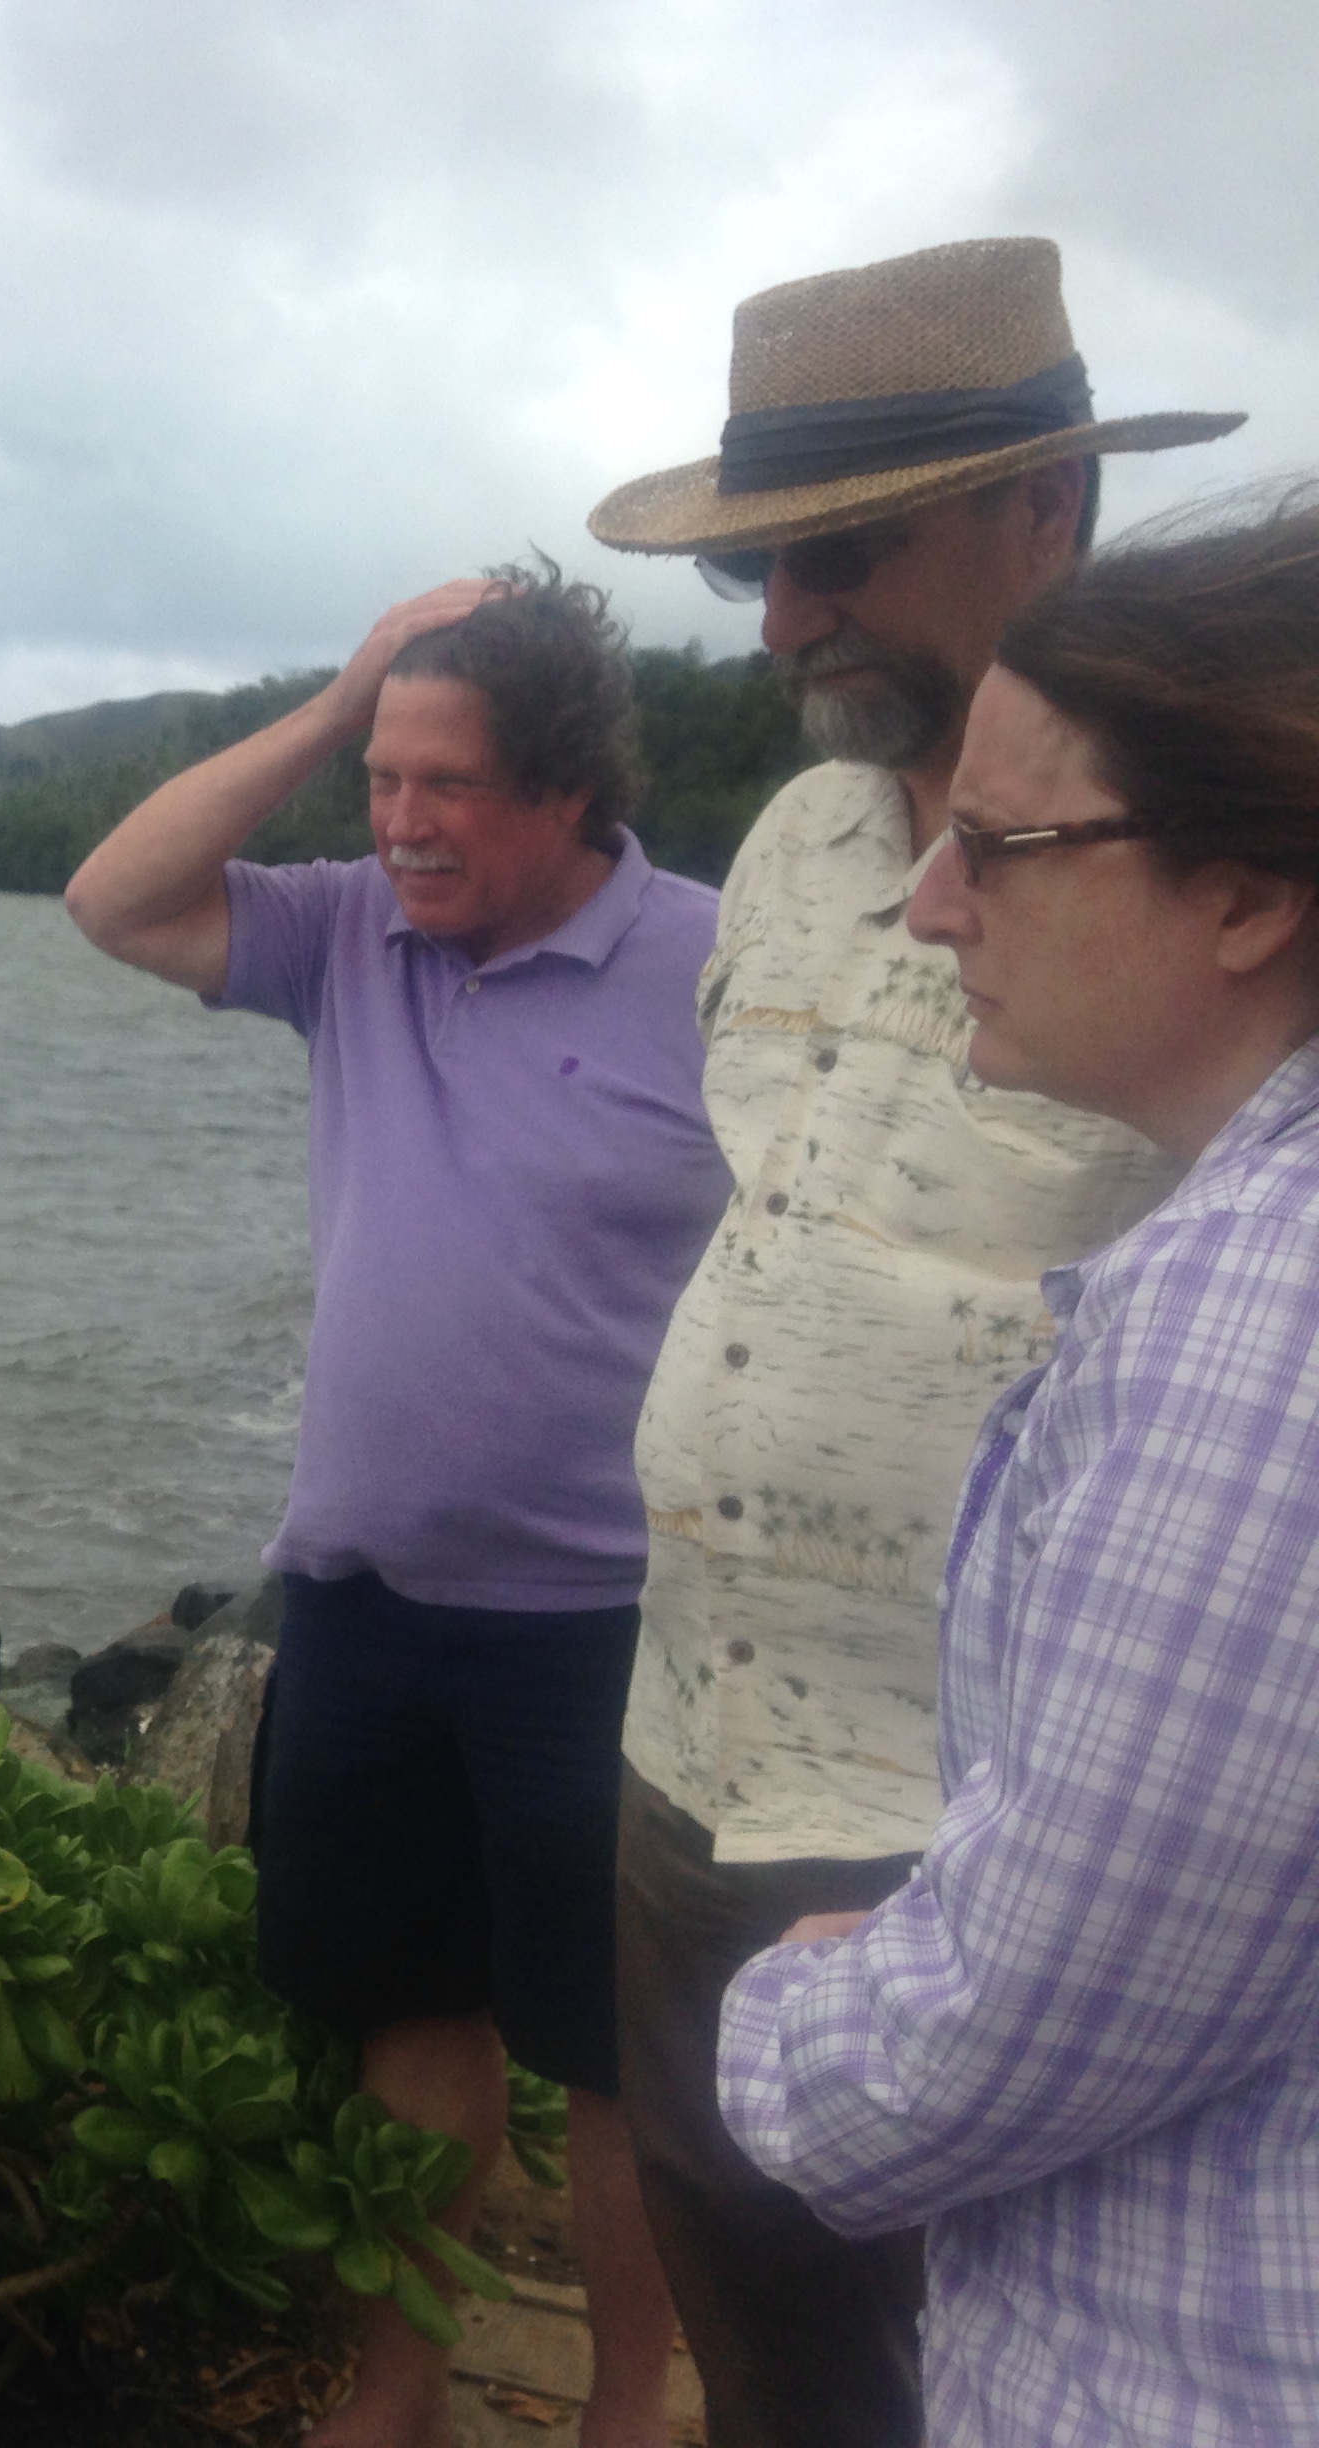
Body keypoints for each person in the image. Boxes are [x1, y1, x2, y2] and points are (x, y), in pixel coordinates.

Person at [581, 235, 1242, 2447]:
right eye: (752, 575)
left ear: (1043, 508)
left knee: (987, 2372)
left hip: (983, 1848)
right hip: (681, 1765)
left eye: (837, 554)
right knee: (768, 2356)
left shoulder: (1217, 882)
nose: (784, 625)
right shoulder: (783, 842)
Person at [67, 570, 727, 2448]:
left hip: (607, 1622)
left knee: (615, 2069)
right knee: (407, 2021)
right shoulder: (348, 935)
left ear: (573, 794)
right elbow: (112, 901)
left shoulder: (717, 964)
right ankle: (400, 2384)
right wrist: (350, 688)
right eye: (384, 780)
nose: (404, 825)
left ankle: (620, 2403)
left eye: (448, 786)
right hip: (358, 1597)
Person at [717, 489, 1319, 2444]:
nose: (933, 905)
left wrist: (797, 2017)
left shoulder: (1264, 1331)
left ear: (1244, 892)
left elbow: (1027, 2023)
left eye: (998, 847)